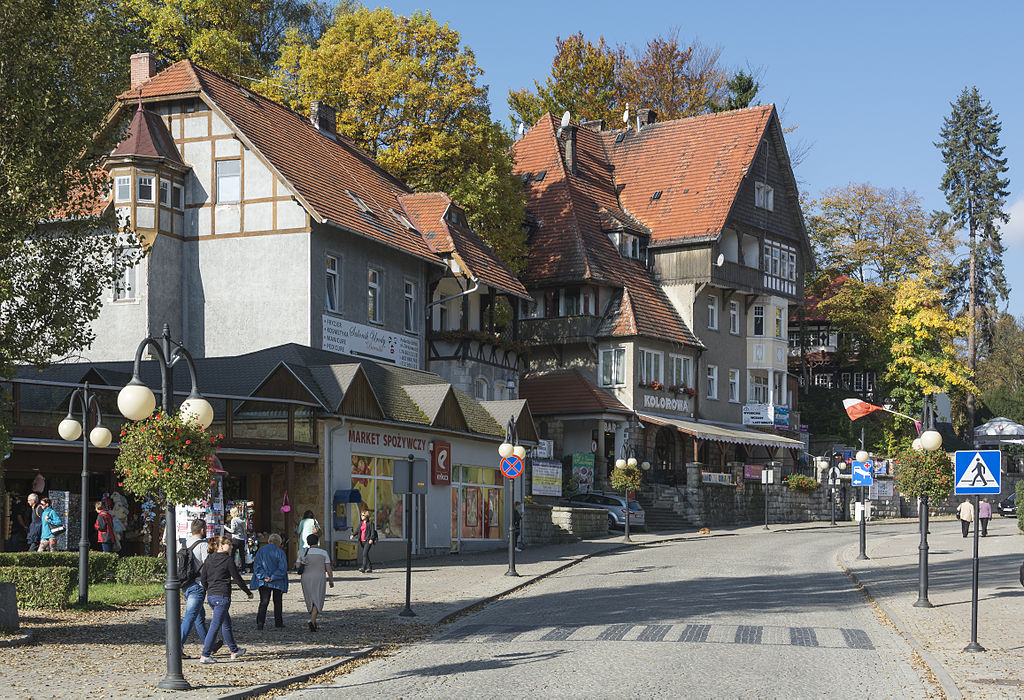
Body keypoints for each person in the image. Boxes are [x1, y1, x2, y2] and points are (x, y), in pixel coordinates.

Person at [199, 536, 253, 663]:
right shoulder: (227, 560)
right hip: (222, 597)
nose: (232, 547)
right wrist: (248, 592)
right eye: (229, 544)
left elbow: (203, 579)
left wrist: (210, 589)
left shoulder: (209, 558)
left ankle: (234, 650)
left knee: (226, 623)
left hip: (211, 596)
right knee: (215, 625)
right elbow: (237, 578)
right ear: (221, 545)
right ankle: (205, 654)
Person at [179, 519, 222, 659]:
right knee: (190, 617)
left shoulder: (183, 543)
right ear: (203, 530)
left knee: (199, 617)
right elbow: (208, 565)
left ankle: (209, 645)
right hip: (197, 585)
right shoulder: (203, 545)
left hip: (185, 584)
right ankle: (176, 648)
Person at [250, 533, 288, 630]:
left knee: (264, 601)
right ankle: (278, 622)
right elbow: (282, 568)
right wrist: (273, 577)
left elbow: (257, 566)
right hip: (277, 581)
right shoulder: (280, 552)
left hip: (264, 581)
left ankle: (260, 622)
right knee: (278, 602)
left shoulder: (261, 551)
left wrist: (264, 576)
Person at [297, 533, 333, 631]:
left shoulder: (302, 552)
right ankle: (312, 620)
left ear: (307, 542)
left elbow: (297, 566)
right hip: (319, 577)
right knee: (318, 597)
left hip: (306, 577)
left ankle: (313, 620)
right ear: (317, 542)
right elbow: (328, 568)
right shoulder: (323, 553)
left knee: (310, 597)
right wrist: (331, 579)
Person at [350, 508, 377, 573]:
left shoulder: (370, 523)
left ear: (366, 516)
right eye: (361, 515)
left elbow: (373, 532)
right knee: (366, 554)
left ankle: (363, 567)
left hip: (368, 540)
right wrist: (353, 535)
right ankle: (369, 567)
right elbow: (357, 530)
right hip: (362, 541)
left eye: (363, 515)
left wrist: (371, 539)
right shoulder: (361, 523)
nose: (361, 516)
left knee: (364, 554)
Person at [226, 507, 247, 573]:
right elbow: (244, 530)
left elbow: (232, 531)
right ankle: (243, 569)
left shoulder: (234, 520)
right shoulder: (242, 519)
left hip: (236, 539)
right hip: (242, 539)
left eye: (230, 513)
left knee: (232, 555)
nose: (230, 514)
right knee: (242, 555)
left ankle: (232, 569)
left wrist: (225, 527)